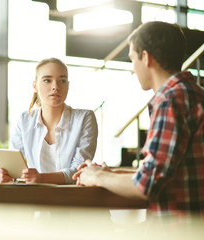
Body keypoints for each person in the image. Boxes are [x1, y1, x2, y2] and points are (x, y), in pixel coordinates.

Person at [73, 21, 204, 215]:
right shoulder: (193, 93)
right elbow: (167, 173)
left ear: (146, 57)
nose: (133, 68)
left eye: (133, 59)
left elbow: (147, 183)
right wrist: (107, 174)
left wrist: (96, 178)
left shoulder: (171, 100)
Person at [0, 58, 98, 184]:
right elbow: (13, 167)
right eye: (47, 80)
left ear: (68, 86)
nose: (55, 87)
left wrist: (41, 178)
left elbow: (79, 171)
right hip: (33, 197)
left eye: (62, 81)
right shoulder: (25, 120)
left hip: (71, 196)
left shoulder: (84, 118)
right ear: (35, 86)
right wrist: (4, 175)